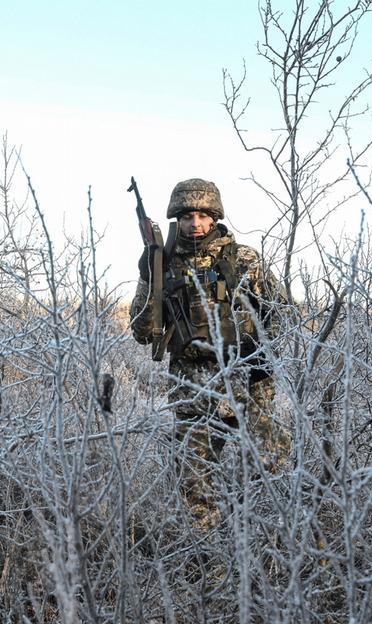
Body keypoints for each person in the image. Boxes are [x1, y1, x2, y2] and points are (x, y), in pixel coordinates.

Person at [130, 178, 288, 530]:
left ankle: (270, 543)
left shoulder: (244, 259)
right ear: (177, 219)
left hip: (248, 387)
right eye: (187, 216)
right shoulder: (162, 264)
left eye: (203, 215)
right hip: (193, 394)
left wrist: (262, 356)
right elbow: (141, 333)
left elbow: (280, 312)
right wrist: (148, 277)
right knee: (194, 485)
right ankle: (210, 552)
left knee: (271, 469)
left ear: (215, 217)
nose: (196, 223)